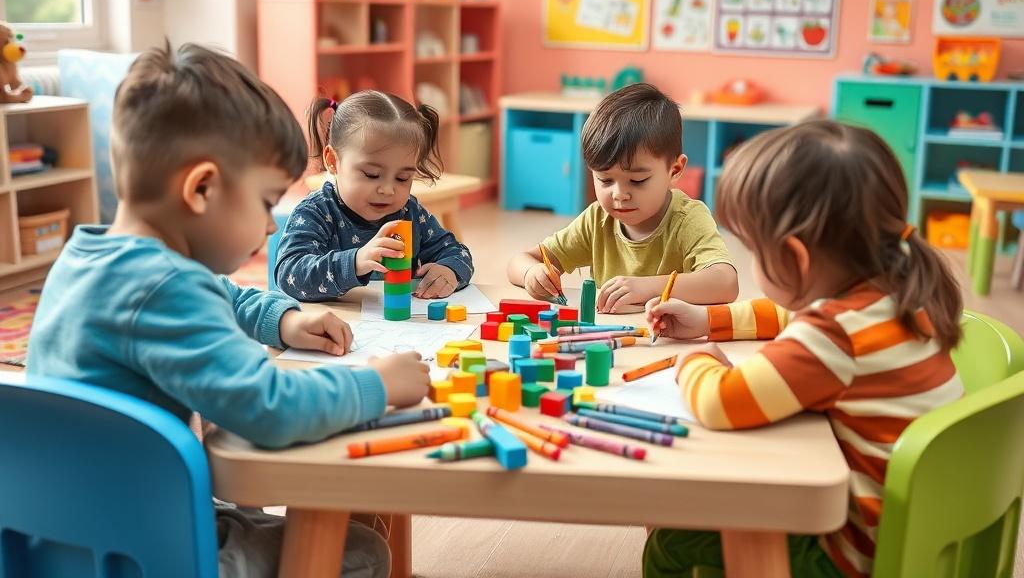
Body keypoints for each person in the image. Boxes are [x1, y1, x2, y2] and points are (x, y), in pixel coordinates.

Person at [27, 43, 431, 577]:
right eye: (265, 203)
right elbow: (271, 409)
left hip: (64, 529)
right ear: (202, 189)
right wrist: (377, 385)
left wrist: (282, 318)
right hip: (136, 548)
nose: (269, 226)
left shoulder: (92, 255)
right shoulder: (165, 288)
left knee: (260, 508)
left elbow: (217, 292)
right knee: (359, 552)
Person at [644, 119, 964, 577]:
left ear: (796, 257)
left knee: (674, 541)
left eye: (754, 248)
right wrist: (706, 320)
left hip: (853, 553)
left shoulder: (834, 336)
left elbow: (720, 401)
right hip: (922, 537)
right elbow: (790, 314)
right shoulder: (896, 289)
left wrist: (693, 359)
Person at [508, 83, 737, 313]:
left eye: (637, 181)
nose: (619, 194)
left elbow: (725, 282)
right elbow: (520, 261)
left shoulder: (687, 219)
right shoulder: (597, 219)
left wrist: (649, 287)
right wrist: (532, 273)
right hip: (608, 338)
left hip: (668, 341)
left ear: (675, 170)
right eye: (605, 180)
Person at [276, 91, 474, 302]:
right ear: (333, 161)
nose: (388, 190)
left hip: (397, 327)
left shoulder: (408, 212)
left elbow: (456, 252)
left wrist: (449, 271)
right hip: (332, 326)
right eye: (372, 174)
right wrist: (355, 262)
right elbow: (289, 274)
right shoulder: (316, 212)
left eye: (402, 178)